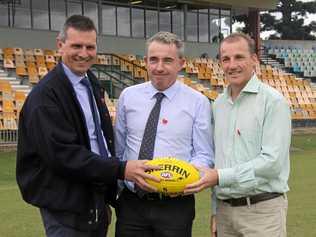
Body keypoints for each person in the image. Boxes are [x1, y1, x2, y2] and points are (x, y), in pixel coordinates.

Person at [16, 15, 159, 237]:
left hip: (94, 197)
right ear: (60, 44)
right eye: (76, 45)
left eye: (90, 47)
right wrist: (121, 169)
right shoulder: (45, 97)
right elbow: (63, 155)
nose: (84, 53)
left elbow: (99, 138)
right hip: (67, 206)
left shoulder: (90, 83)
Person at [184, 32, 291, 237]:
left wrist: (220, 177)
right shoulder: (218, 105)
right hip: (225, 214)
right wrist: (215, 210)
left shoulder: (273, 102)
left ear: (254, 60)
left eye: (239, 57)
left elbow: (272, 162)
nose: (232, 65)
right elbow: (218, 161)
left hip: (262, 212)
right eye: (226, 59)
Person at [114, 31, 215, 237]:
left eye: (167, 60)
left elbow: (204, 154)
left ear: (181, 63)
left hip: (175, 206)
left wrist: (183, 179)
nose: (159, 67)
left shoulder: (198, 102)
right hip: (131, 204)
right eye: (154, 60)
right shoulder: (128, 96)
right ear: (146, 61)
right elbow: (119, 148)